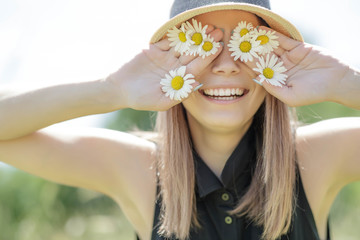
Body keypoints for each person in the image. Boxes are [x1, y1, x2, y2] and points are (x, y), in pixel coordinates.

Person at [0, 0, 359, 239]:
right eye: (202, 45)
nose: (225, 62)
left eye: (246, 43)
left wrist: (347, 85)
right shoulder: (137, 168)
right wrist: (111, 90)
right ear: (169, 62)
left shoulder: (317, 156)